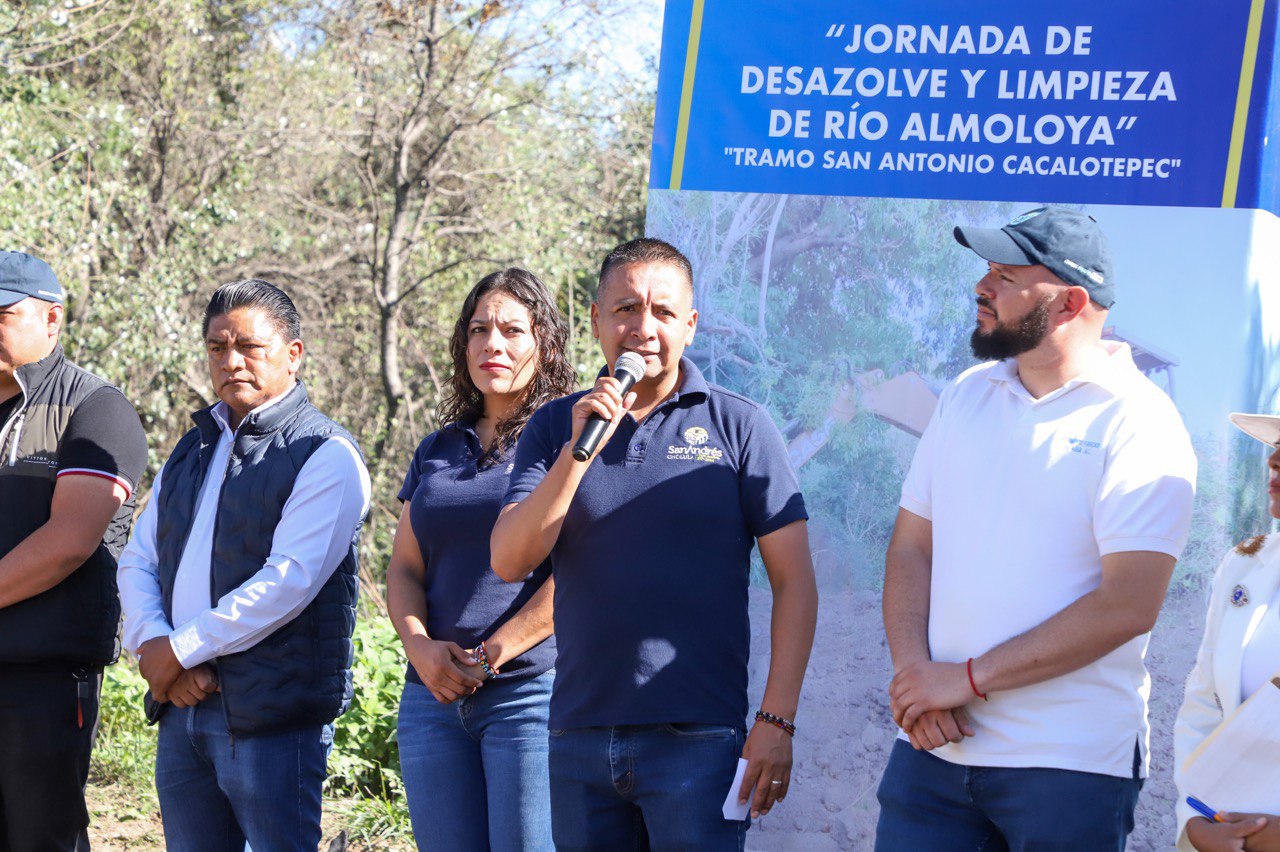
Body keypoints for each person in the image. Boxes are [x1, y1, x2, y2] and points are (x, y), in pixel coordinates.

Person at [877, 207, 1198, 851]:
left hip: (1068, 767)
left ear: (1070, 301)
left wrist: (964, 679)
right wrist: (918, 676)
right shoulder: (968, 394)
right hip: (933, 757)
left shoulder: (1141, 420)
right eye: (985, 271)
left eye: (1005, 274)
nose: (982, 286)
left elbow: (1128, 605)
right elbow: (912, 547)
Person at [490, 237, 818, 851]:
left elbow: (795, 581)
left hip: (697, 740)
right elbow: (509, 560)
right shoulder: (554, 427)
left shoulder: (741, 426)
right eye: (625, 309)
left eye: (663, 313)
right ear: (595, 319)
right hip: (578, 738)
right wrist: (577, 451)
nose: (643, 328)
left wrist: (777, 718)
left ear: (690, 326)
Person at [117, 279, 370, 851]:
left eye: (249, 347)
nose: (231, 362)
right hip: (183, 706)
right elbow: (139, 560)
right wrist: (156, 646)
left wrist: (177, 651)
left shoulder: (325, 453)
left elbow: (289, 581)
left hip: (270, 719)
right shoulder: (193, 446)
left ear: (293, 353)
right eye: (216, 348)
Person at [387, 268, 573, 851]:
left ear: (544, 345)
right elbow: (404, 569)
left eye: (513, 330)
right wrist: (419, 648)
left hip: (529, 693)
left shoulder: (570, 437)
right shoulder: (438, 448)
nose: (492, 343)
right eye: (478, 329)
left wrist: (494, 655)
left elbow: (580, 572)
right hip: (430, 697)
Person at [0, 251, 148, 850]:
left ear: (53, 318)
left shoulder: (94, 409)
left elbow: (69, 543)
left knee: (40, 838)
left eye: (2, 314)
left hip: (43, 679)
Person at [1173, 411, 1280, 852]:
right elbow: (1203, 705)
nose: (1274, 461)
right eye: (1276, 449)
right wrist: (1194, 822)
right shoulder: (1244, 562)